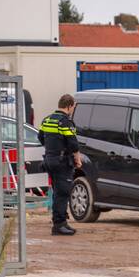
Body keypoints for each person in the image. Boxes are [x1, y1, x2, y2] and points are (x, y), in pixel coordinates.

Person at [38, 94, 82, 236]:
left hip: (49, 160)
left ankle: (61, 222)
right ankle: (59, 225)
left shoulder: (46, 120)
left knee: (57, 192)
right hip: (62, 162)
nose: (73, 110)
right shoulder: (66, 122)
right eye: (73, 107)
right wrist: (78, 159)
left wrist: (52, 149)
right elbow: (73, 144)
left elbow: (40, 137)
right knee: (63, 192)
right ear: (69, 106)